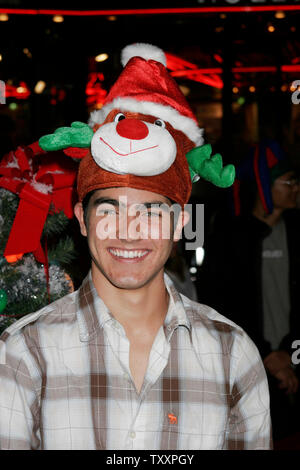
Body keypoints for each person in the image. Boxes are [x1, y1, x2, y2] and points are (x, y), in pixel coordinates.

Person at [0, 43, 272, 450]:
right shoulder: (24, 355)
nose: (129, 232)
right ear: (82, 219)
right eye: (109, 209)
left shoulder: (233, 354)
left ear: (180, 222)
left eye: (151, 212)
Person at [200, 140, 300, 442]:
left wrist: (290, 355)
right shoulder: (230, 236)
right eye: (290, 181)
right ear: (265, 185)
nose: (297, 187)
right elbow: (218, 304)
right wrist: (268, 355)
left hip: (293, 360)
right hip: (249, 368)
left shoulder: (297, 231)